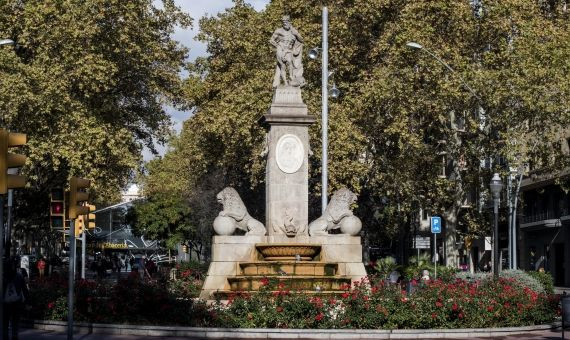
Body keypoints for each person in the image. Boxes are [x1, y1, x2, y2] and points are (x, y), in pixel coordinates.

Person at [270, 15, 305, 88]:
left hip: (289, 50)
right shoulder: (279, 30)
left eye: (286, 22)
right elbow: (271, 40)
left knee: (290, 63)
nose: (285, 23)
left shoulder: (293, 31)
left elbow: (301, 40)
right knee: (283, 65)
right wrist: (278, 46)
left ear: (289, 22)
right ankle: (285, 82)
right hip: (280, 49)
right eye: (283, 22)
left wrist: (296, 34)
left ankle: (291, 77)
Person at [3, 261, 29, 340]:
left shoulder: (3, 277)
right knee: (14, 321)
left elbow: (24, 289)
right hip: (16, 302)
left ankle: (6, 336)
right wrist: (27, 301)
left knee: (5, 321)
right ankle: (14, 336)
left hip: (6, 303)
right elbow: (24, 290)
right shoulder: (18, 276)